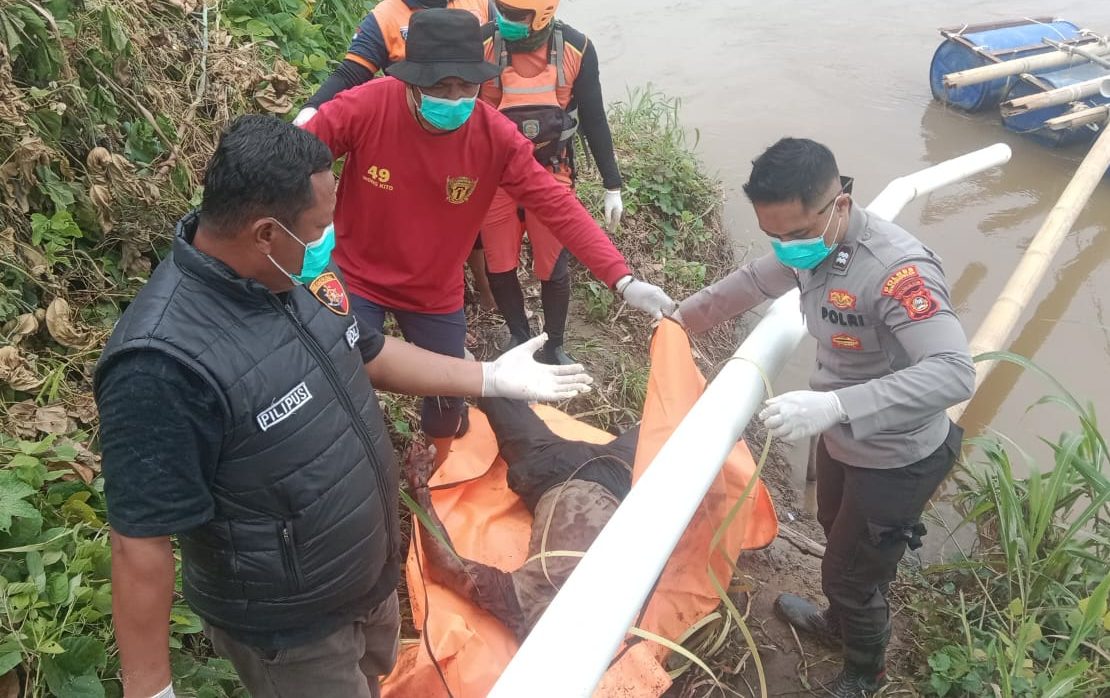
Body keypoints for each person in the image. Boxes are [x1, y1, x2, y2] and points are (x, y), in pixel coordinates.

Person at [95, 115, 595, 698]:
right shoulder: (161, 364)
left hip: (368, 574)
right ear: (263, 233)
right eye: (318, 227)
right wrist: (150, 688)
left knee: (374, 678)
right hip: (295, 626)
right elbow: (141, 541)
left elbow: (367, 350)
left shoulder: (296, 271)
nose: (327, 240)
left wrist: (488, 377)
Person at [301, 9, 674, 461]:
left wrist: (623, 280)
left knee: (447, 398)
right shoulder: (365, 107)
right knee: (340, 374)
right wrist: (310, 240)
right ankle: (356, 460)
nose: (455, 100)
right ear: (410, 81)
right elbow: (294, 162)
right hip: (357, 277)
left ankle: (440, 465)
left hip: (435, 290)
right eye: (441, 89)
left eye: (467, 88)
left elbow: (557, 206)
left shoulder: (495, 136)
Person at [675, 138, 974, 697]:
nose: (786, 249)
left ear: (838, 204)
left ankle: (866, 672)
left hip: (897, 456)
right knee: (832, 526)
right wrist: (676, 319)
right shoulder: (812, 246)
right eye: (774, 236)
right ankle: (839, 624)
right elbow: (750, 282)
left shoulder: (895, 273)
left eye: (794, 235)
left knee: (853, 574)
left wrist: (838, 404)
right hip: (839, 437)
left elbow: (954, 373)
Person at [294, 0, 497, 310]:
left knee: (467, 225)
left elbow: (499, 59)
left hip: (466, 141)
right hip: (404, 145)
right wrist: (313, 107)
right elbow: (352, 72)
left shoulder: (479, 5)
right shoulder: (386, 16)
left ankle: (478, 291)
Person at [402, 397, 637, 639]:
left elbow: (447, 566)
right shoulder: (605, 631)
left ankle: (460, 385)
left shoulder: (524, 607)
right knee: (674, 434)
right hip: (618, 479)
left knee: (493, 390)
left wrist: (419, 490)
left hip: (548, 472)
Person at [478, 0, 625, 364]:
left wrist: (613, 185)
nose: (506, 21)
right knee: (499, 263)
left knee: (553, 264)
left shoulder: (577, 48)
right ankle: (519, 336)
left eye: (516, 16)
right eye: (503, 12)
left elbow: (594, 118)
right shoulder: (479, 43)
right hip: (496, 176)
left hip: (552, 172)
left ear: (543, 12)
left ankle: (554, 344)